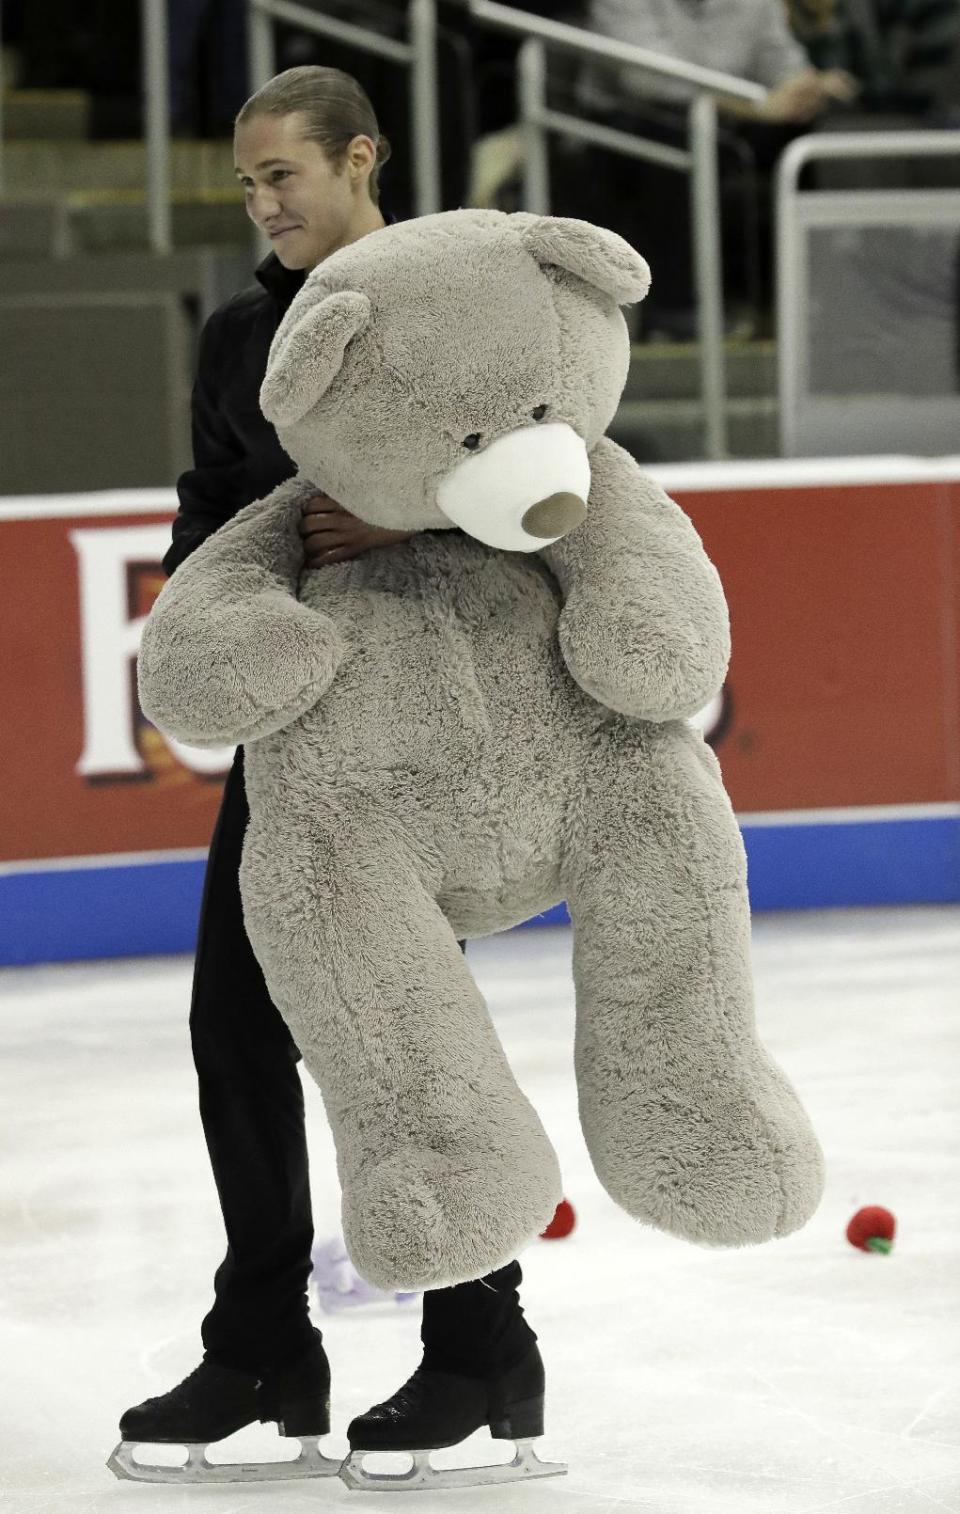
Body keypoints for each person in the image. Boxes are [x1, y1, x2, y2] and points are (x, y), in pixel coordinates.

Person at [113, 66, 542, 1490]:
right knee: (232, 1028)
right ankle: (260, 1346)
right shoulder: (242, 333)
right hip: (293, 744)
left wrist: (411, 506)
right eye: (245, 183)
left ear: (360, 157)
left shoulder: (465, 300)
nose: (262, 202)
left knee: (402, 1047)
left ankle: (483, 1345)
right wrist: (260, 552)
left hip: (425, 740)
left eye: (281, 175)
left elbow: (554, 480)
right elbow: (205, 516)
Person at [572, 0, 860, 334]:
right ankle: (677, 310)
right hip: (632, 128)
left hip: (731, 121)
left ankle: (826, 300)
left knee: (821, 123)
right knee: (677, 131)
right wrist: (754, 107)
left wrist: (804, 86)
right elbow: (647, 79)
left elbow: (779, 59)